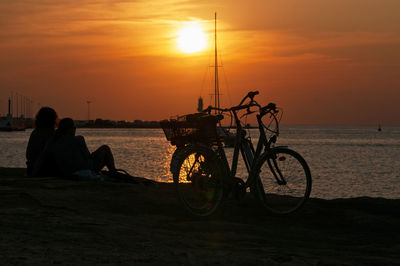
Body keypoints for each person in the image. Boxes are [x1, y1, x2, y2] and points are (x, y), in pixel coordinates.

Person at [45, 118, 116, 179]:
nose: (75, 130)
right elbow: (87, 157)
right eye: (74, 128)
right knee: (105, 148)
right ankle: (113, 173)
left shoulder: (52, 142)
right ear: (70, 129)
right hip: (85, 170)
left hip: (66, 173)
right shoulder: (79, 139)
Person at [26, 107, 58, 176]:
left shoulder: (35, 133)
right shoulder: (52, 134)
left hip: (31, 168)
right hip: (45, 169)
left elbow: (29, 154)